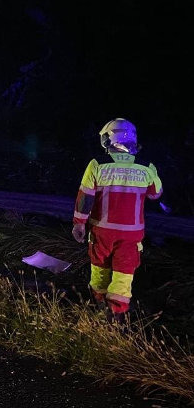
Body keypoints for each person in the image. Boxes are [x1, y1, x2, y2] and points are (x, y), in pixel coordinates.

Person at [72, 118, 162, 322]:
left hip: (101, 231)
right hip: (132, 234)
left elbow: (85, 197)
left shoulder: (97, 164)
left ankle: (99, 307)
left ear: (109, 138)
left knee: (99, 270)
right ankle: (117, 316)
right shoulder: (146, 166)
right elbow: (156, 194)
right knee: (124, 273)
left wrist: (79, 223)